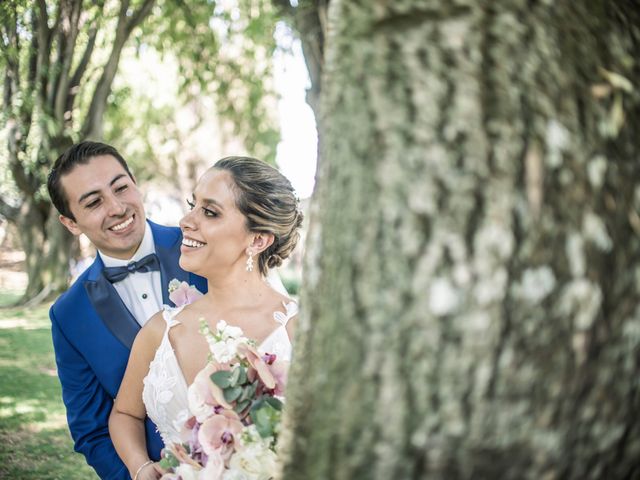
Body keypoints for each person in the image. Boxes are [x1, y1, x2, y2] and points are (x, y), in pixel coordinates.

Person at [109, 156, 303, 479]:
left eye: (209, 212)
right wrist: (140, 466)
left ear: (258, 240)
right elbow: (124, 413)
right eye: (193, 204)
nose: (186, 220)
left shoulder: (299, 333)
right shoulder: (161, 331)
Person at [47, 141, 207, 479]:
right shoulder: (69, 316)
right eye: (93, 202)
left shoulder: (207, 247)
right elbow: (91, 430)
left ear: (136, 184)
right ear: (71, 222)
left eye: (121, 187)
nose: (117, 207)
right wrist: (139, 473)